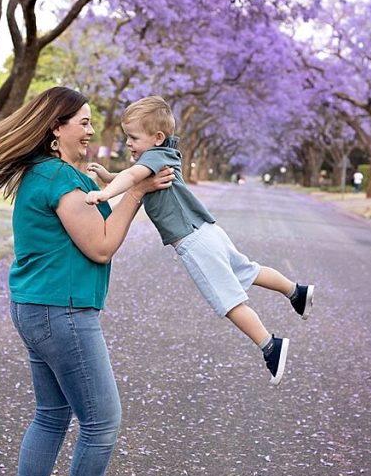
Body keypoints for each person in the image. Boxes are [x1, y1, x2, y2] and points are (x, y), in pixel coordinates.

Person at [0, 86, 175, 476]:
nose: (92, 131)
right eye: (84, 122)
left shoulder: (50, 175)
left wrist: (124, 184)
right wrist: (137, 187)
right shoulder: (60, 181)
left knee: (51, 415)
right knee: (102, 421)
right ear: (57, 129)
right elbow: (102, 246)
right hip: (61, 312)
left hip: (37, 308)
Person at [84, 96, 313, 386]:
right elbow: (133, 176)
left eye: (133, 137)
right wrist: (108, 176)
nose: (127, 143)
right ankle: (296, 291)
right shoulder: (164, 155)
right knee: (249, 270)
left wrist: (105, 194)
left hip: (192, 241)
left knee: (227, 300)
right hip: (209, 231)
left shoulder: (151, 158)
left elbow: (132, 176)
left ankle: (270, 345)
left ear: (157, 138)